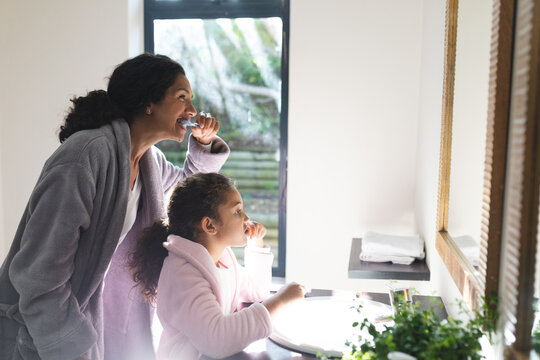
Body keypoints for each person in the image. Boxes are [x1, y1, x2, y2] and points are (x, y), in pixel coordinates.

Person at [0, 53, 230, 360]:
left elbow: (187, 192)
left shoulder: (148, 161)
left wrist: (203, 144)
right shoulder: (84, 157)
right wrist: (72, 347)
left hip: (93, 323)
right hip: (43, 333)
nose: (192, 110)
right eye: (181, 97)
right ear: (148, 102)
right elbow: (38, 274)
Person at [129, 172, 305, 360]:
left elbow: (257, 290)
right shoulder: (183, 274)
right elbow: (217, 339)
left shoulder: (222, 259)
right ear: (209, 225)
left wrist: (257, 245)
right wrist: (281, 301)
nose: (247, 218)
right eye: (237, 211)